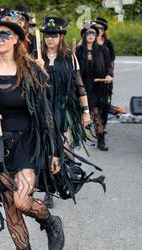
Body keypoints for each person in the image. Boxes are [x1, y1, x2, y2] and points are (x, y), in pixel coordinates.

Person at [0, 8, 105, 250]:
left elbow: (46, 115)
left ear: (18, 38)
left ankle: (50, 220)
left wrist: (55, 151)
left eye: (5, 33)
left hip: (27, 141)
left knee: (21, 200)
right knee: (11, 209)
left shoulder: (32, 71)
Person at [40, 16, 91, 208]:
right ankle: (48, 191)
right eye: (46, 35)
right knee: (44, 149)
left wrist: (85, 111)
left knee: (63, 148)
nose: (49, 39)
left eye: (53, 35)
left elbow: (80, 86)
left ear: (61, 36)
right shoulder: (36, 57)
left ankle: (64, 179)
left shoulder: (70, 57)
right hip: (42, 111)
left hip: (62, 111)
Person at [76, 23, 113, 151]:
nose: (91, 35)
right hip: (83, 86)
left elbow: (109, 66)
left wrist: (109, 75)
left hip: (99, 86)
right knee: (83, 112)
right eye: (88, 33)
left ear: (96, 35)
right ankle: (77, 139)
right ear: (84, 35)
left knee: (98, 113)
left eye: (93, 33)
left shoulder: (103, 50)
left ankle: (101, 140)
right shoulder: (79, 50)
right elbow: (74, 69)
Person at [93, 17, 115, 127]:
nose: (99, 30)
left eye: (101, 28)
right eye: (96, 28)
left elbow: (111, 61)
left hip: (105, 77)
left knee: (105, 103)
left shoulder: (107, 43)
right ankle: (96, 125)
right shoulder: (89, 40)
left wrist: (110, 75)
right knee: (93, 103)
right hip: (91, 78)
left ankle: (103, 125)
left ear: (104, 30)